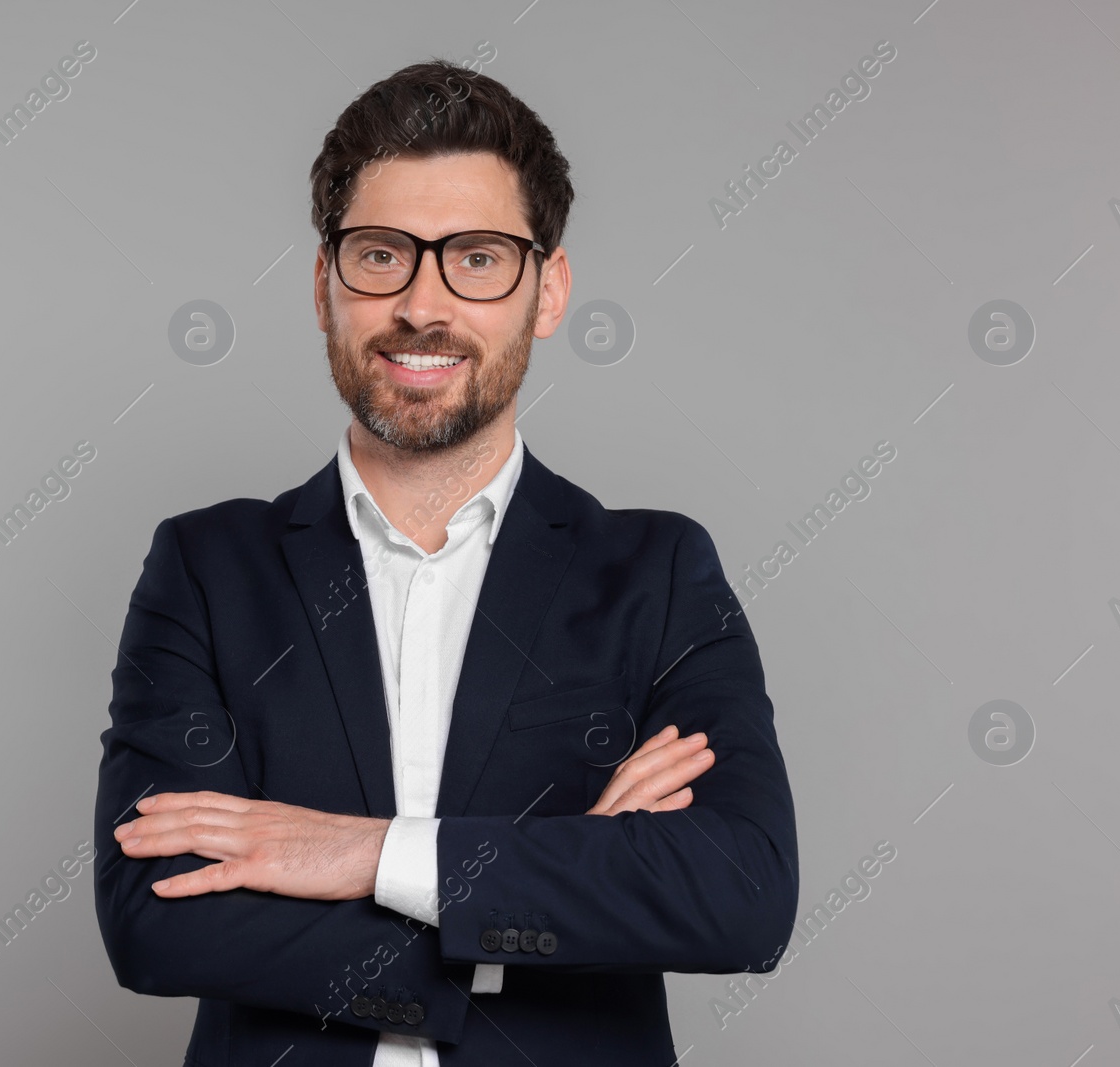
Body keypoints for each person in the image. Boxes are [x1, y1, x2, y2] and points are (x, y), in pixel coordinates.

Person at [93, 58, 799, 1066]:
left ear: (547, 290)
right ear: (323, 285)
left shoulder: (657, 571)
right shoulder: (206, 568)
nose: (422, 305)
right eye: (380, 254)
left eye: (476, 257)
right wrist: (560, 884)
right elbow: (153, 918)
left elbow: (740, 896)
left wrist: (359, 852)